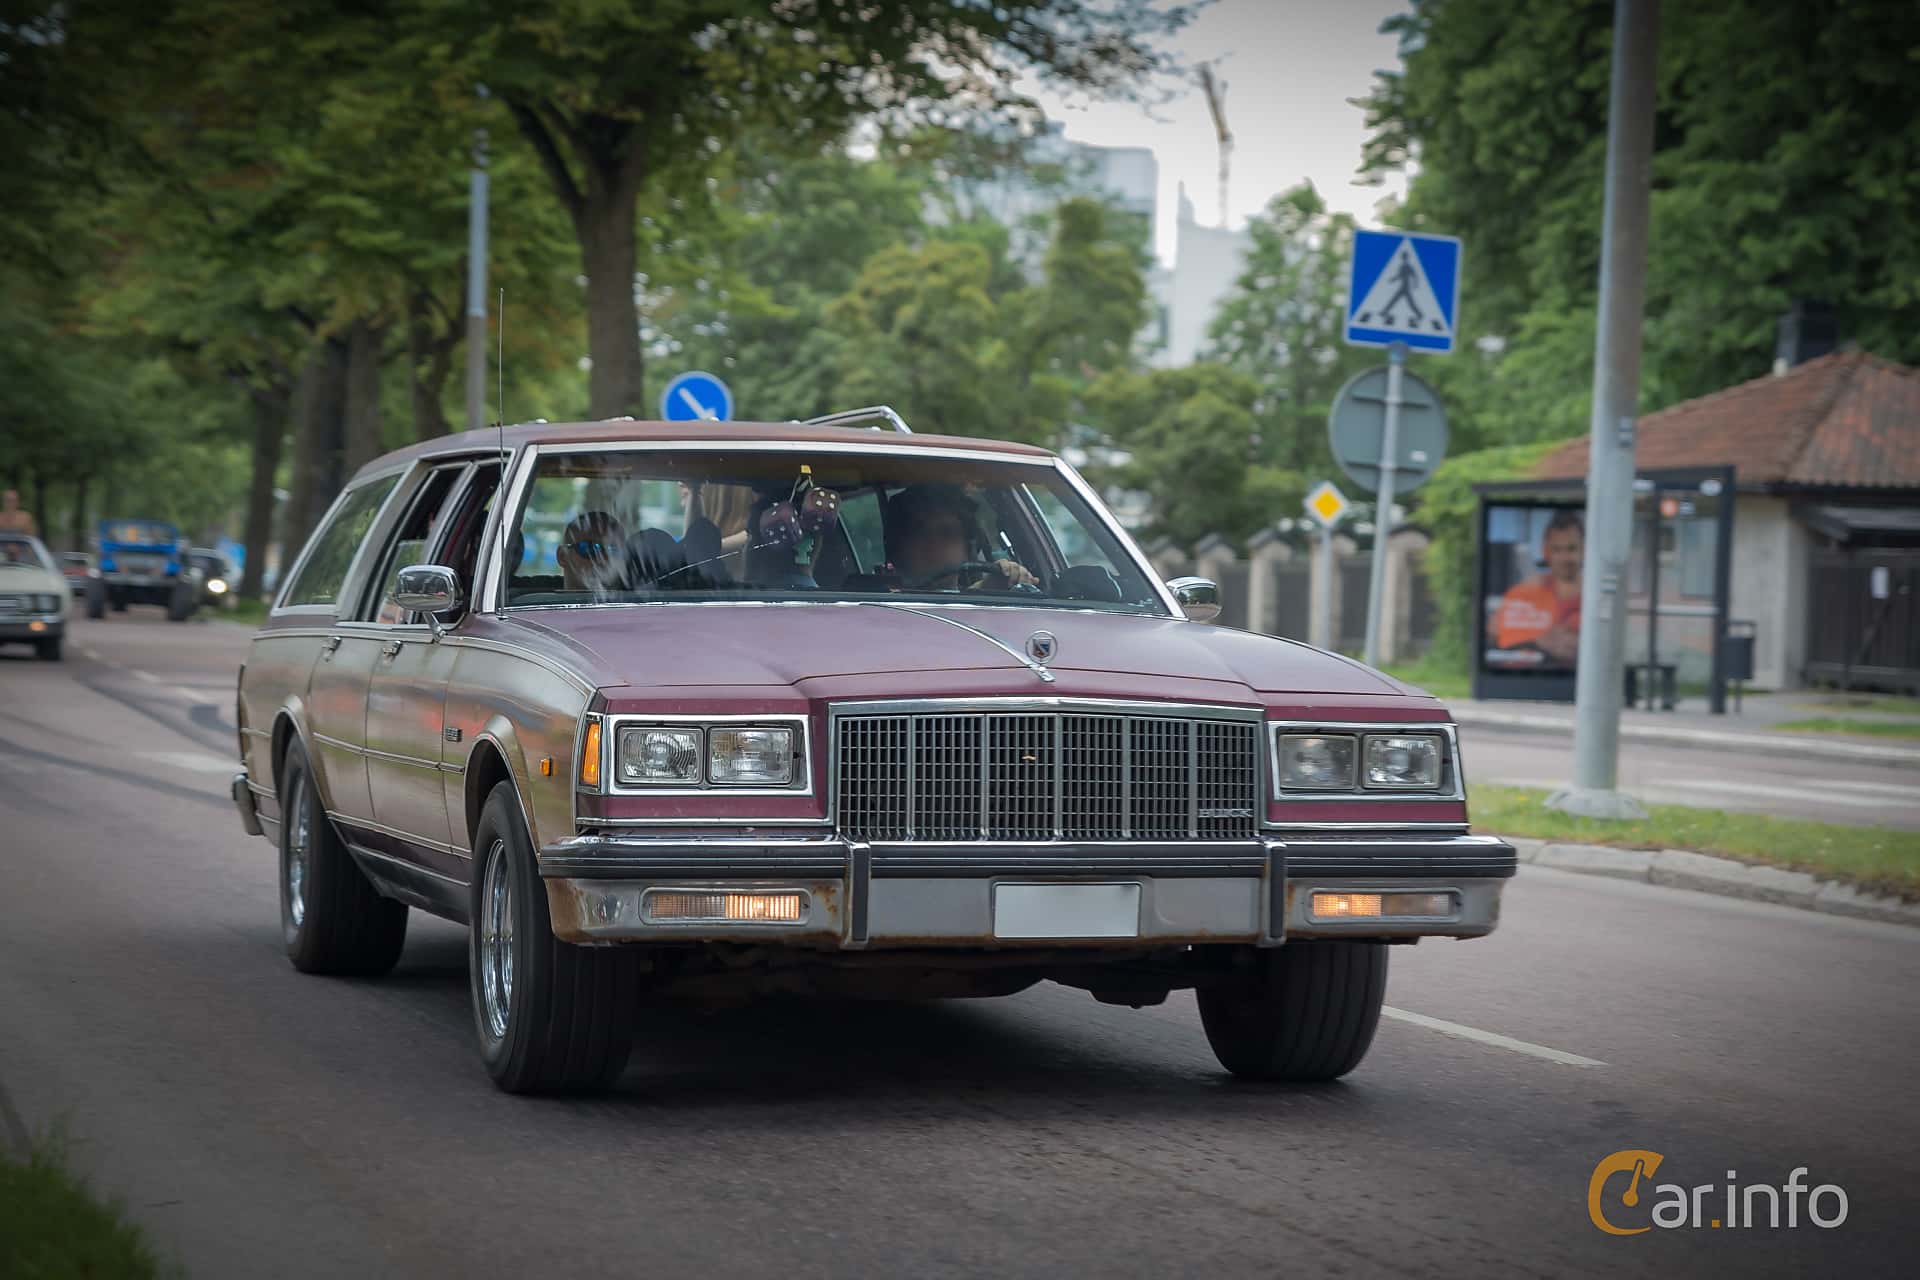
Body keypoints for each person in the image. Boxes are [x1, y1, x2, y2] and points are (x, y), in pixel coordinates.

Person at [883, 484, 1036, 591]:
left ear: (967, 547)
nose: (934, 545)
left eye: (947, 534)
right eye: (919, 534)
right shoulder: (875, 612)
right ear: (898, 547)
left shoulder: (995, 608)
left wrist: (1007, 580)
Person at [1494, 510, 1583, 665]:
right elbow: (1497, 637)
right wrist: (1537, 641)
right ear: (1546, 551)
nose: (1564, 558)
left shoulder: (1596, 598)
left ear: (1584, 549)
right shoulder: (1525, 593)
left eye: (1571, 549)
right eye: (1557, 550)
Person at [556, 510, 628, 594]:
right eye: (590, 549)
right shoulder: (539, 602)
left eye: (614, 550)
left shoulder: (640, 601)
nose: (604, 559)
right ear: (562, 556)